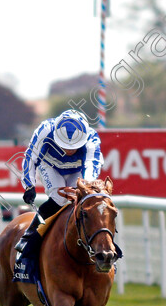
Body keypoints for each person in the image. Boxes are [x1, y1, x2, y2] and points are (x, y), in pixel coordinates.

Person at [14, 109, 102, 270]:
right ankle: (28, 237)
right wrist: (29, 185)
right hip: (51, 166)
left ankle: (104, 247)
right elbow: (30, 158)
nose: (68, 151)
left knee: (85, 199)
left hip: (77, 169)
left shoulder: (91, 138)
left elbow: (91, 167)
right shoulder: (44, 130)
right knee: (59, 198)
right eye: (64, 146)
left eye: (73, 147)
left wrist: (85, 189)